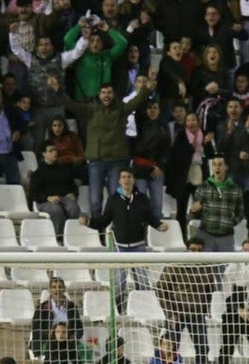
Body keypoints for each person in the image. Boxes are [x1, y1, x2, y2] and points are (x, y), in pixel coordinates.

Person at [57, 77, 151, 218]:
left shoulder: (122, 109)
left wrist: (147, 88)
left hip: (116, 160)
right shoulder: (90, 108)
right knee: (95, 200)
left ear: (114, 94)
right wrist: (58, 91)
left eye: (109, 92)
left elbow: (137, 100)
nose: (106, 95)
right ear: (99, 94)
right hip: (96, 160)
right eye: (103, 93)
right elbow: (71, 105)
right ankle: (97, 227)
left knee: (116, 198)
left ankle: (115, 227)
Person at [79, 167, 167, 312]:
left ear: (133, 179)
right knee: (118, 284)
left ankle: (144, 312)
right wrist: (89, 222)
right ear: (119, 180)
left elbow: (150, 217)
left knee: (143, 283)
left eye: (129, 177)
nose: (126, 179)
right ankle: (119, 312)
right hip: (119, 248)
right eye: (124, 177)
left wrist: (159, 225)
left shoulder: (142, 199)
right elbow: (104, 221)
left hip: (138, 247)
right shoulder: (113, 200)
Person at [156, 258, 220, 364]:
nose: (196, 253)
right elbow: (161, 289)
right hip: (176, 313)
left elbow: (209, 289)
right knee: (170, 345)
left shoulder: (206, 267)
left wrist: (206, 308)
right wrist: (170, 313)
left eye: (199, 250)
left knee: (202, 346)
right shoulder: (174, 266)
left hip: (197, 313)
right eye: (194, 250)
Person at [188, 153, 244, 252]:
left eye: (220, 164)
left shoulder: (235, 188)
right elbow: (193, 213)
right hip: (206, 234)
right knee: (206, 262)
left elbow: (240, 211)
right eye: (214, 164)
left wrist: (231, 223)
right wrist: (192, 211)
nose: (217, 167)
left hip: (226, 235)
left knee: (226, 262)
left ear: (226, 167)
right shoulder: (203, 187)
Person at [29, 141, 81, 238]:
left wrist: (72, 193)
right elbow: (34, 193)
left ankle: (72, 235)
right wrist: (47, 198)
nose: (55, 152)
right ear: (44, 154)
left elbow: (73, 185)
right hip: (45, 201)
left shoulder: (64, 169)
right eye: (51, 151)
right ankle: (58, 237)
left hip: (64, 197)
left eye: (55, 150)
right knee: (56, 210)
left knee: (74, 208)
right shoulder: (38, 173)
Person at [29, 276, 83, 358]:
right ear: (50, 290)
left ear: (64, 289)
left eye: (60, 287)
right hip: (47, 341)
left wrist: (74, 337)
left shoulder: (71, 306)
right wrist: (49, 334)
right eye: (54, 287)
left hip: (68, 341)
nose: (57, 289)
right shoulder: (42, 308)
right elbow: (35, 330)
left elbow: (79, 328)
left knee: (85, 350)